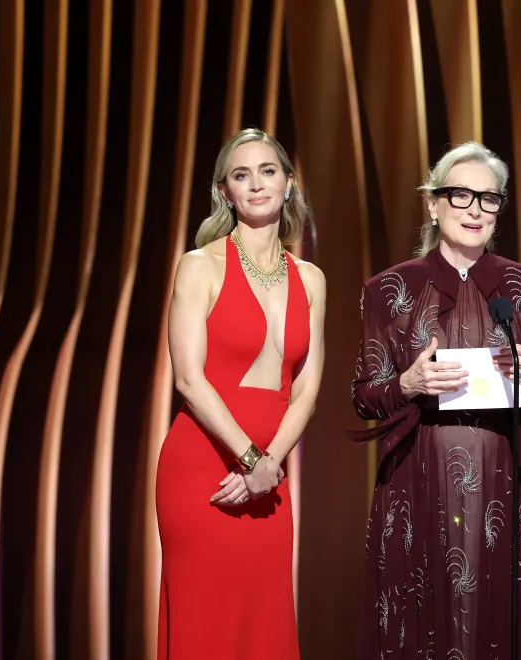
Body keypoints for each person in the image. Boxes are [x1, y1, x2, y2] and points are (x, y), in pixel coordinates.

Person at [351, 142, 521, 658]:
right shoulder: (389, 289)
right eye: (460, 195)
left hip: (505, 481)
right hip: (415, 478)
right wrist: (409, 383)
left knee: (500, 618)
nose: (473, 210)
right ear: (433, 203)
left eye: (487, 199)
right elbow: (364, 396)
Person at [156, 128, 325, 659]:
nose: (256, 184)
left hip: (269, 477)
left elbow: (307, 390)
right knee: (204, 627)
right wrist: (250, 458)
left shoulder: (312, 278)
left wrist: (267, 465)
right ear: (224, 192)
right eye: (241, 174)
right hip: (203, 469)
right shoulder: (200, 265)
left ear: (289, 183)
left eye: (268, 171)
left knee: (264, 625)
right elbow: (188, 378)